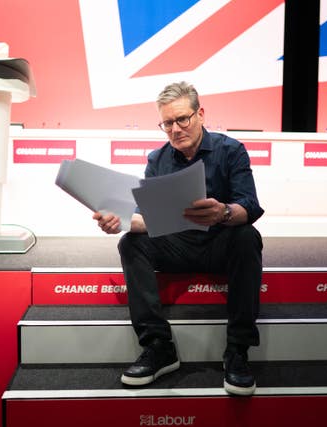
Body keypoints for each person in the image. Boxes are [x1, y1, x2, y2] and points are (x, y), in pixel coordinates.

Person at [93, 81, 264, 396]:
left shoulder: (231, 151)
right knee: (130, 242)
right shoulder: (158, 160)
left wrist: (224, 212)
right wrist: (121, 223)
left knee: (247, 237)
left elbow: (250, 206)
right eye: (167, 123)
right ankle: (159, 346)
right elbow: (149, 218)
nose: (175, 129)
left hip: (219, 243)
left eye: (182, 119)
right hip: (176, 244)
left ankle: (238, 350)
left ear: (200, 114)